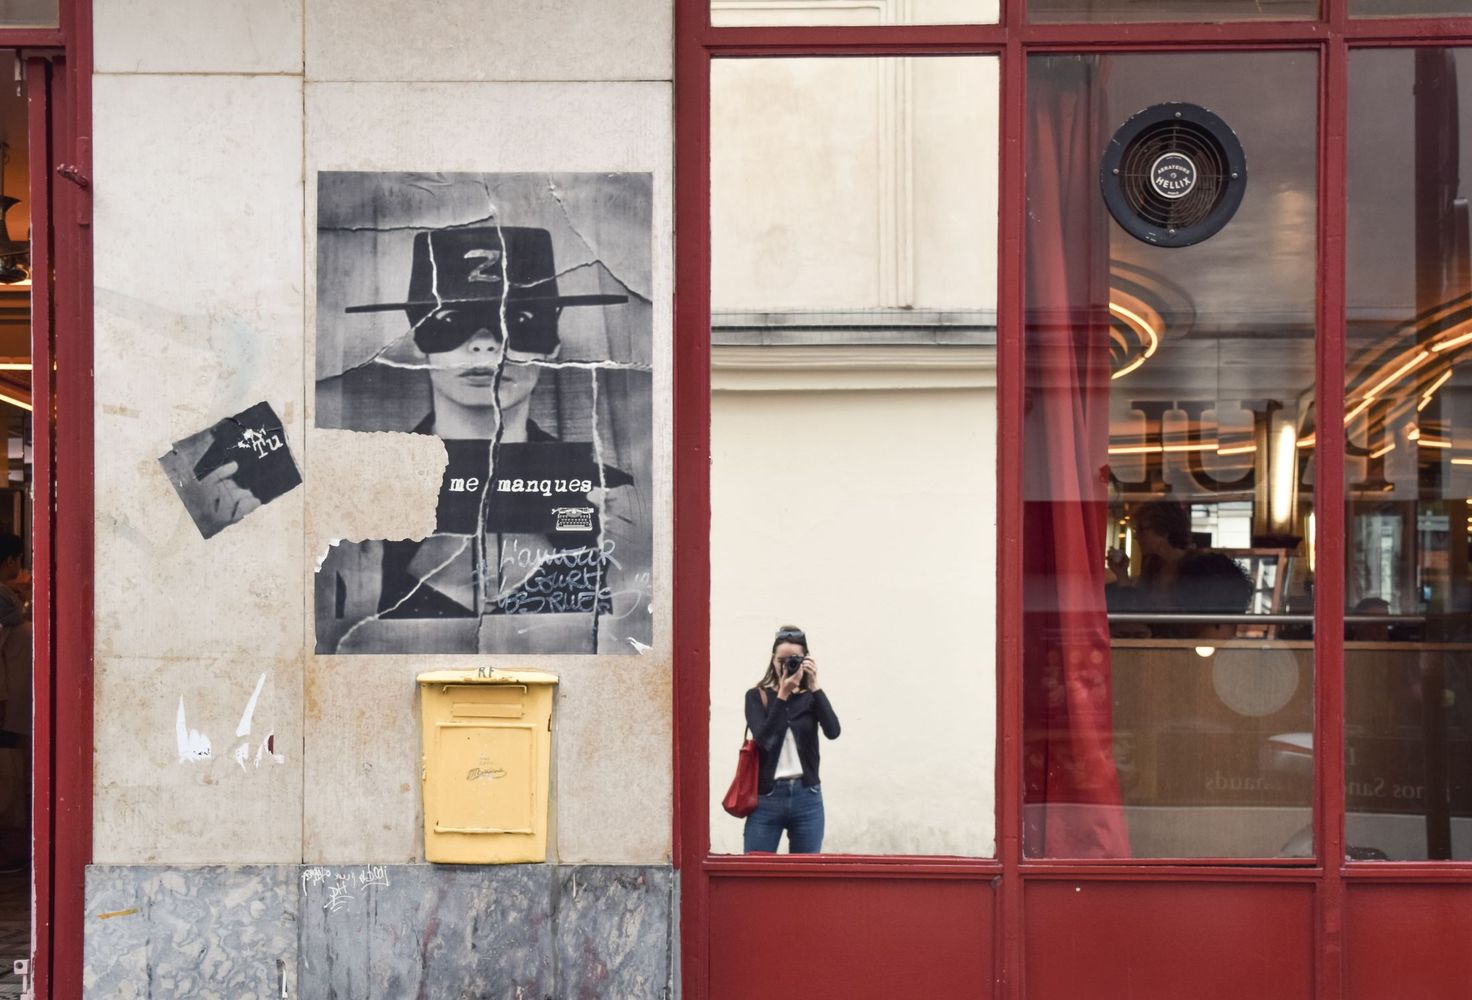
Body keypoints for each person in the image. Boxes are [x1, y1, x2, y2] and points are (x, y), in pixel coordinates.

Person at [742, 626, 840, 854]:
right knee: (756, 874)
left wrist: (814, 686)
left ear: (806, 660)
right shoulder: (757, 696)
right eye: (782, 660)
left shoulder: (810, 698)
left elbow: (833, 731)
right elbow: (764, 740)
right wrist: (782, 695)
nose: (787, 665)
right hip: (767, 798)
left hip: (808, 797)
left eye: (794, 659)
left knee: (805, 878)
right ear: (772, 660)